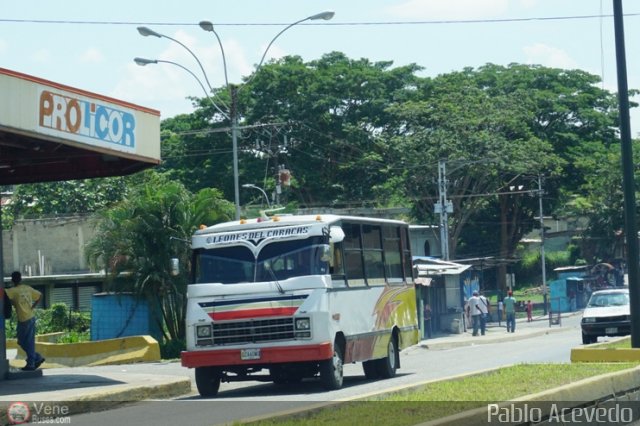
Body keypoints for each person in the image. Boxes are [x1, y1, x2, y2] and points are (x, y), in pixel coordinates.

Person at [5, 271, 45, 371]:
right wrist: (33, 307)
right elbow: (40, 295)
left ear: (12, 280)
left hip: (23, 319)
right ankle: (36, 358)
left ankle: (32, 362)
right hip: (31, 317)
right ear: (21, 279)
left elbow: (3, 294)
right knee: (25, 341)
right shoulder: (27, 288)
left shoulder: (12, 291)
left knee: (24, 342)